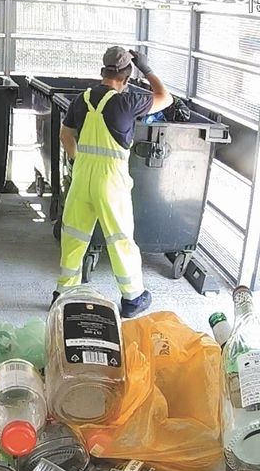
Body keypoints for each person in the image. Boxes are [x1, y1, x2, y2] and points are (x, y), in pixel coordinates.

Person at [54, 46, 173, 318]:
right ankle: (132, 298)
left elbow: (65, 135)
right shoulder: (126, 102)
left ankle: (63, 294)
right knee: (120, 239)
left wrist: (78, 160)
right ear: (127, 77)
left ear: (102, 72)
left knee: (73, 237)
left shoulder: (81, 100)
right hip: (111, 183)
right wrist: (148, 68)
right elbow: (165, 98)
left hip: (81, 179)